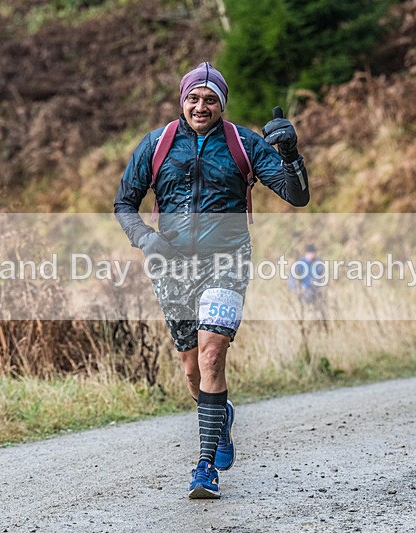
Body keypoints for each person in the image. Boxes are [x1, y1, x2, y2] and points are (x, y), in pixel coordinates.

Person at [114, 62, 310, 498]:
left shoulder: (243, 143)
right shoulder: (157, 144)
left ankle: (204, 468)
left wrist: (290, 154)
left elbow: (297, 195)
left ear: (222, 104)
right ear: (182, 101)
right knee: (190, 368)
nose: (201, 106)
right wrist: (145, 238)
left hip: (228, 260)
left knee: (211, 354)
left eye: (211, 99)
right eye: (194, 98)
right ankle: (219, 420)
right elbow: (124, 204)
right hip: (172, 264)